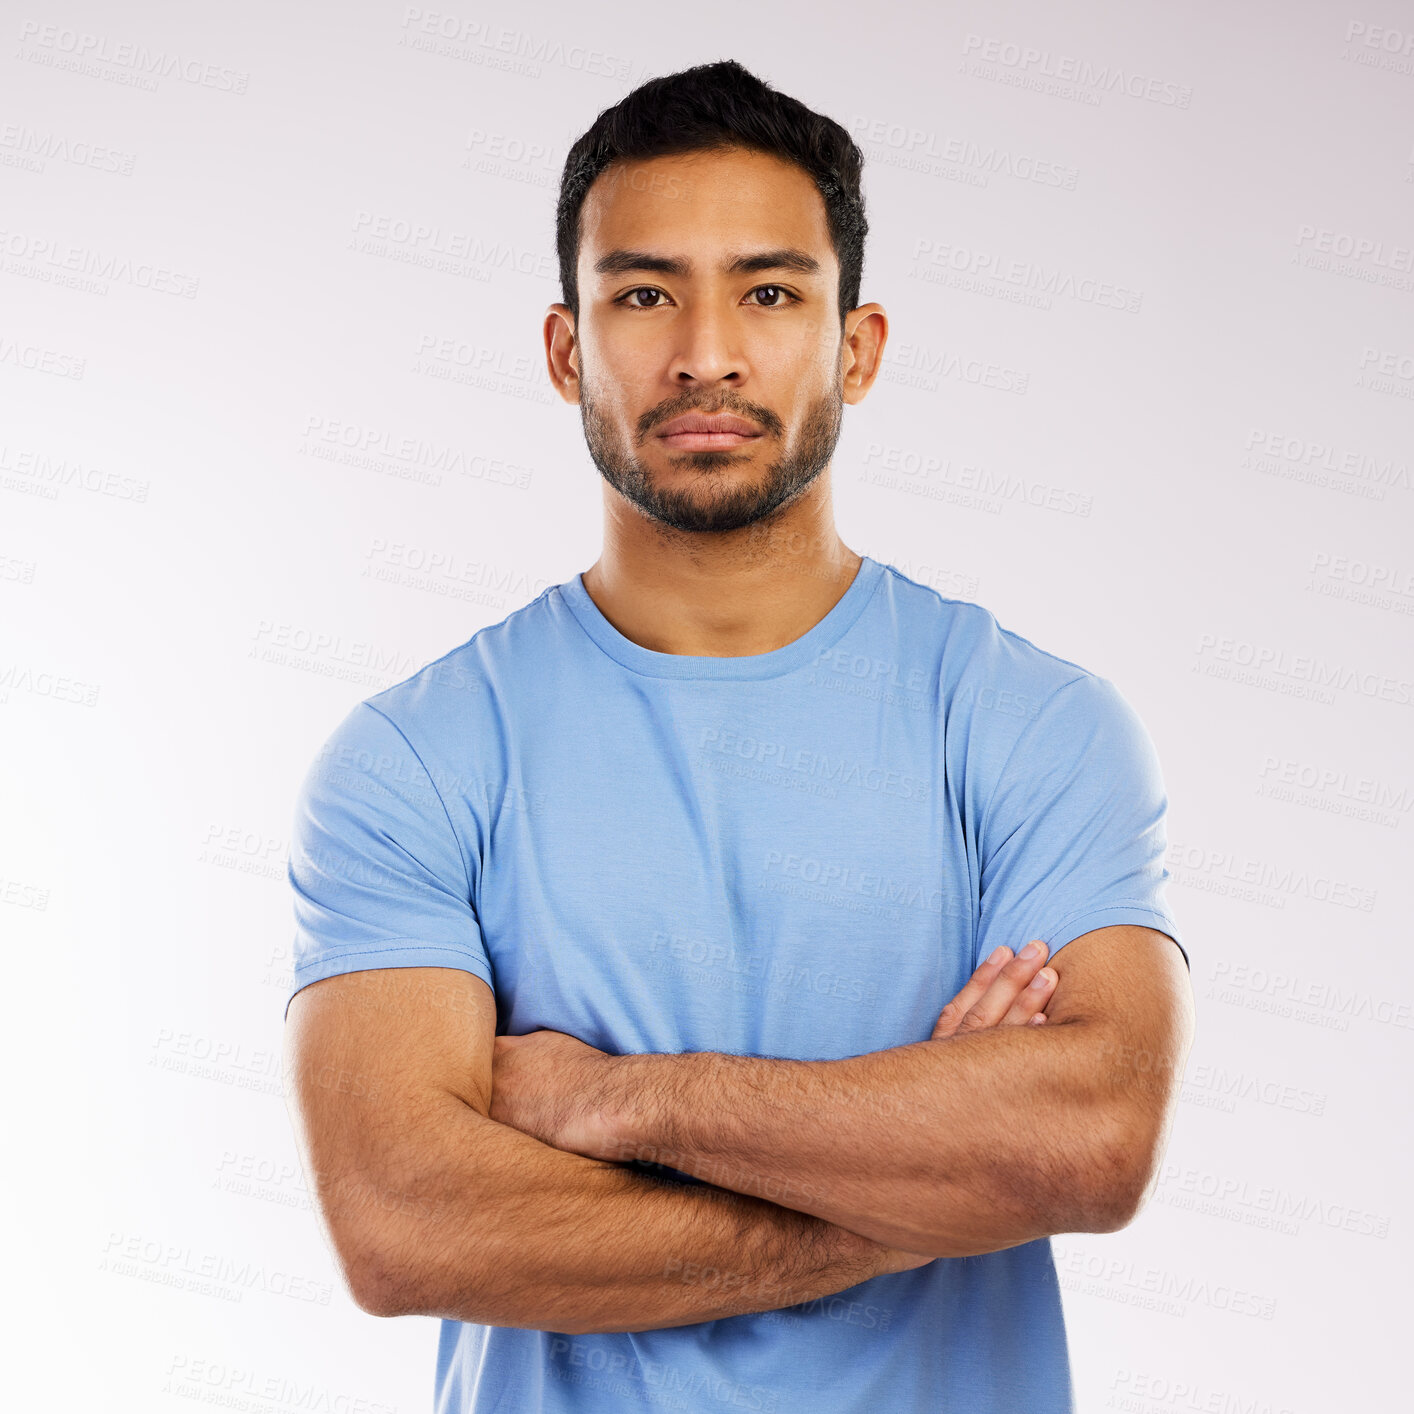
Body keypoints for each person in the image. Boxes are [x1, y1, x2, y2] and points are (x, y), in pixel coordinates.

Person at [282, 58, 1194, 1414]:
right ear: (563, 349)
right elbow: (405, 1221)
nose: (704, 349)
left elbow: (1093, 1140)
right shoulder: (419, 754)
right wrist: (923, 1188)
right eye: (643, 292)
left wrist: (619, 1103)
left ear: (856, 346)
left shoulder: (1025, 722)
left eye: (769, 292)